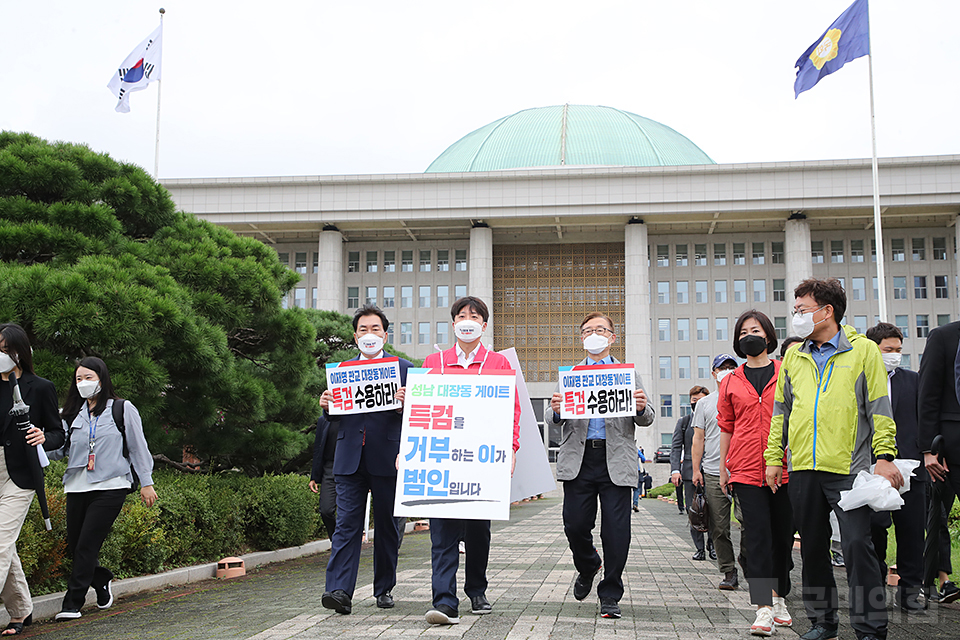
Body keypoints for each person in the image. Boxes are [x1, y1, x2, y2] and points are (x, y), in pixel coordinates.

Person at [765, 278, 900, 640]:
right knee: (812, 548)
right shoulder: (794, 355)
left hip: (849, 469)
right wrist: (774, 457)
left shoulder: (863, 351)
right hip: (804, 468)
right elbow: (782, 411)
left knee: (858, 546)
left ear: (827, 311)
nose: (796, 316)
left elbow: (879, 408)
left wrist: (885, 455)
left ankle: (870, 628)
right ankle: (823, 622)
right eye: (795, 310)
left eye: (801, 310)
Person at [547, 311, 655, 619]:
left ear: (612, 337)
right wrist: (555, 411)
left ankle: (610, 593)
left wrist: (641, 406)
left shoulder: (626, 374)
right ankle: (589, 564)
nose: (594, 335)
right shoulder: (572, 374)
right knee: (575, 524)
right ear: (581, 338)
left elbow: (647, 418)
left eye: (600, 330)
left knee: (617, 531)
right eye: (588, 331)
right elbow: (555, 418)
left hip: (616, 459)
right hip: (579, 460)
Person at [422, 296, 521, 626]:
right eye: (461, 315)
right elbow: (419, 416)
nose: (468, 320)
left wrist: (511, 449)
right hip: (443, 458)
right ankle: (445, 600)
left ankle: (476, 588)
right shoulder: (433, 363)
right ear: (453, 324)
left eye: (474, 316)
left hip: (481, 462)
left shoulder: (499, 365)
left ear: (484, 325)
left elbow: (513, 413)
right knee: (443, 532)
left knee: (479, 532)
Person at [319, 304, 412, 615]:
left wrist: (405, 406)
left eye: (375, 329)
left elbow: (422, 414)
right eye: (363, 330)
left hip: (389, 457)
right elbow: (334, 416)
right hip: (349, 459)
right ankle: (339, 590)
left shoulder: (404, 368)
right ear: (354, 336)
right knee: (346, 525)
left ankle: (384, 587)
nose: (369, 335)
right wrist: (327, 406)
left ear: (385, 335)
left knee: (388, 526)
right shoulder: (341, 369)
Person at [52, 356, 157, 621]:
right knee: (75, 545)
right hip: (77, 486)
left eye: (89, 378)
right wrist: (36, 440)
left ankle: (72, 603)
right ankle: (100, 579)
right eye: (78, 379)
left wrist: (147, 482)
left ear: (102, 379)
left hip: (111, 485)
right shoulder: (70, 414)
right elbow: (58, 449)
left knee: (87, 544)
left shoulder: (122, 409)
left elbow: (137, 446)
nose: (83, 383)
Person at [718, 310, 793, 636]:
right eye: (744, 331)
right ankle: (764, 606)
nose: (750, 335)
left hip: (786, 469)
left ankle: (780, 598)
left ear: (768, 336)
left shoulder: (787, 371)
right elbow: (726, 427)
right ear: (738, 340)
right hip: (746, 470)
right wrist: (723, 468)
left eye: (756, 329)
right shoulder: (732, 381)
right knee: (757, 538)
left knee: (783, 538)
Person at [0, 324, 64, 635]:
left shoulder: (39, 387)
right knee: (5, 546)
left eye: (4, 348)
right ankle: (21, 611)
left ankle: (19, 612)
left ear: (19, 351)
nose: (0, 354)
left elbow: (57, 433)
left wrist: (42, 436)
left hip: (20, 474)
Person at [864, 322, 925, 612]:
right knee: (875, 528)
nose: (895, 355)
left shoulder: (912, 380)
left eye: (898, 350)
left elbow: (923, 419)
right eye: (888, 350)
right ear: (873, 349)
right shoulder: (860, 380)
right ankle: (875, 587)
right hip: (873, 467)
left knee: (912, 531)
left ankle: (910, 591)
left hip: (910, 466)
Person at [917, 318, 960, 604]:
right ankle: (931, 580)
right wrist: (928, 450)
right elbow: (928, 395)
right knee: (937, 517)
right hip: (948, 450)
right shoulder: (943, 337)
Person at [692, 354, 740, 590]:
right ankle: (728, 570)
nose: (727, 371)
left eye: (732, 367)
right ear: (713, 373)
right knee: (719, 526)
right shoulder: (705, 403)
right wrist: (695, 469)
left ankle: (752, 565)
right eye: (722, 368)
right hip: (712, 471)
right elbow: (698, 438)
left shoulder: (745, 396)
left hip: (743, 470)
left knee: (752, 525)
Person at [671, 386, 713, 558]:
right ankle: (699, 548)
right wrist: (675, 470)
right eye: (694, 400)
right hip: (689, 473)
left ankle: (712, 546)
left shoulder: (715, 419)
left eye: (701, 400)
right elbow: (675, 447)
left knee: (713, 511)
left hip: (711, 470)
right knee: (693, 511)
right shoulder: (685, 421)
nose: (697, 403)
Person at [308, 414, 338, 539]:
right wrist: (314, 476)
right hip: (329, 468)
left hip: (350, 468)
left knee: (346, 513)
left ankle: (344, 543)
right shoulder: (323, 420)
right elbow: (318, 448)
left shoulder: (353, 417)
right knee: (326, 510)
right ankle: (337, 539)